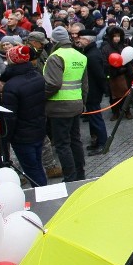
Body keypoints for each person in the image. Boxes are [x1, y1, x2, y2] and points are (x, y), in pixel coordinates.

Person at [43, 25, 89, 182]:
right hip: (76, 104)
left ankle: (70, 177)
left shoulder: (55, 57)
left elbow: (53, 84)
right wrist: (83, 102)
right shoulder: (79, 56)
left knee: (62, 144)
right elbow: (84, 85)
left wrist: (42, 97)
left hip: (59, 106)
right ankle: (80, 173)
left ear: (54, 41)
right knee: (75, 140)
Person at [1, 45, 48, 187]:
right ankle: (43, 189)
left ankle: (42, 194)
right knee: (37, 165)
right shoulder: (38, 77)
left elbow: (10, 117)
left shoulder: (11, 86)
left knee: (31, 169)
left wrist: (6, 137)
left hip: (22, 135)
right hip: (38, 128)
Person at [75, 29, 109, 156]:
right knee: (92, 118)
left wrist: (104, 89)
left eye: (81, 38)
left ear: (87, 40)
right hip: (91, 91)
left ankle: (102, 143)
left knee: (96, 118)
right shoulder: (89, 52)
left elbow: (99, 75)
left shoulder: (92, 55)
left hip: (92, 92)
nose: (79, 40)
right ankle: (98, 141)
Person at [101, 25, 133, 120]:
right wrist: (114, 70)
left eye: (118, 36)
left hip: (125, 75)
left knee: (126, 94)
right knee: (113, 96)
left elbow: (129, 60)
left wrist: (125, 69)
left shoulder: (124, 46)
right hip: (113, 75)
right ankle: (115, 112)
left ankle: (127, 111)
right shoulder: (106, 48)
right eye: (115, 36)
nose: (117, 38)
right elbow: (105, 62)